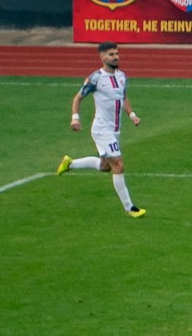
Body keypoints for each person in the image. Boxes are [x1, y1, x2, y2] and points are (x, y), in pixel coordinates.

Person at [57, 42, 144, 217]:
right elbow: (78, 97)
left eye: (117, 53)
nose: (116, 57)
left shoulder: (121, 76)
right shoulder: (96, 78)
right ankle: (130, 208)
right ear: (102, 57)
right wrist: (75, 117)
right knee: (118, 165)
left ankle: (70, 163)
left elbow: (123, 97)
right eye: (111, 54)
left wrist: (131, 114)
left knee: (105, 167)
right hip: (102, 130)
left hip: (115, 130)